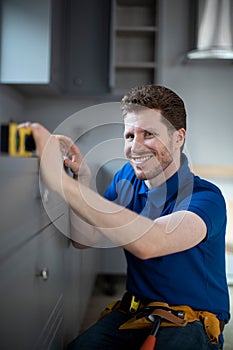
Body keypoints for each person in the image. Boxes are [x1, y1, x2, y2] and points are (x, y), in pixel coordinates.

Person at [24, 85, 230, 349]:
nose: (136, 146)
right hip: (134, 313)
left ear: (178, 137)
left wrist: (60, 183)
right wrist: (82, 180)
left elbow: (149, 243)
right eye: (130, 135)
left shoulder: (206, 198)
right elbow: (85, 238)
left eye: (149, 134)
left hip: (191, 323)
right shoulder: (126, 179)